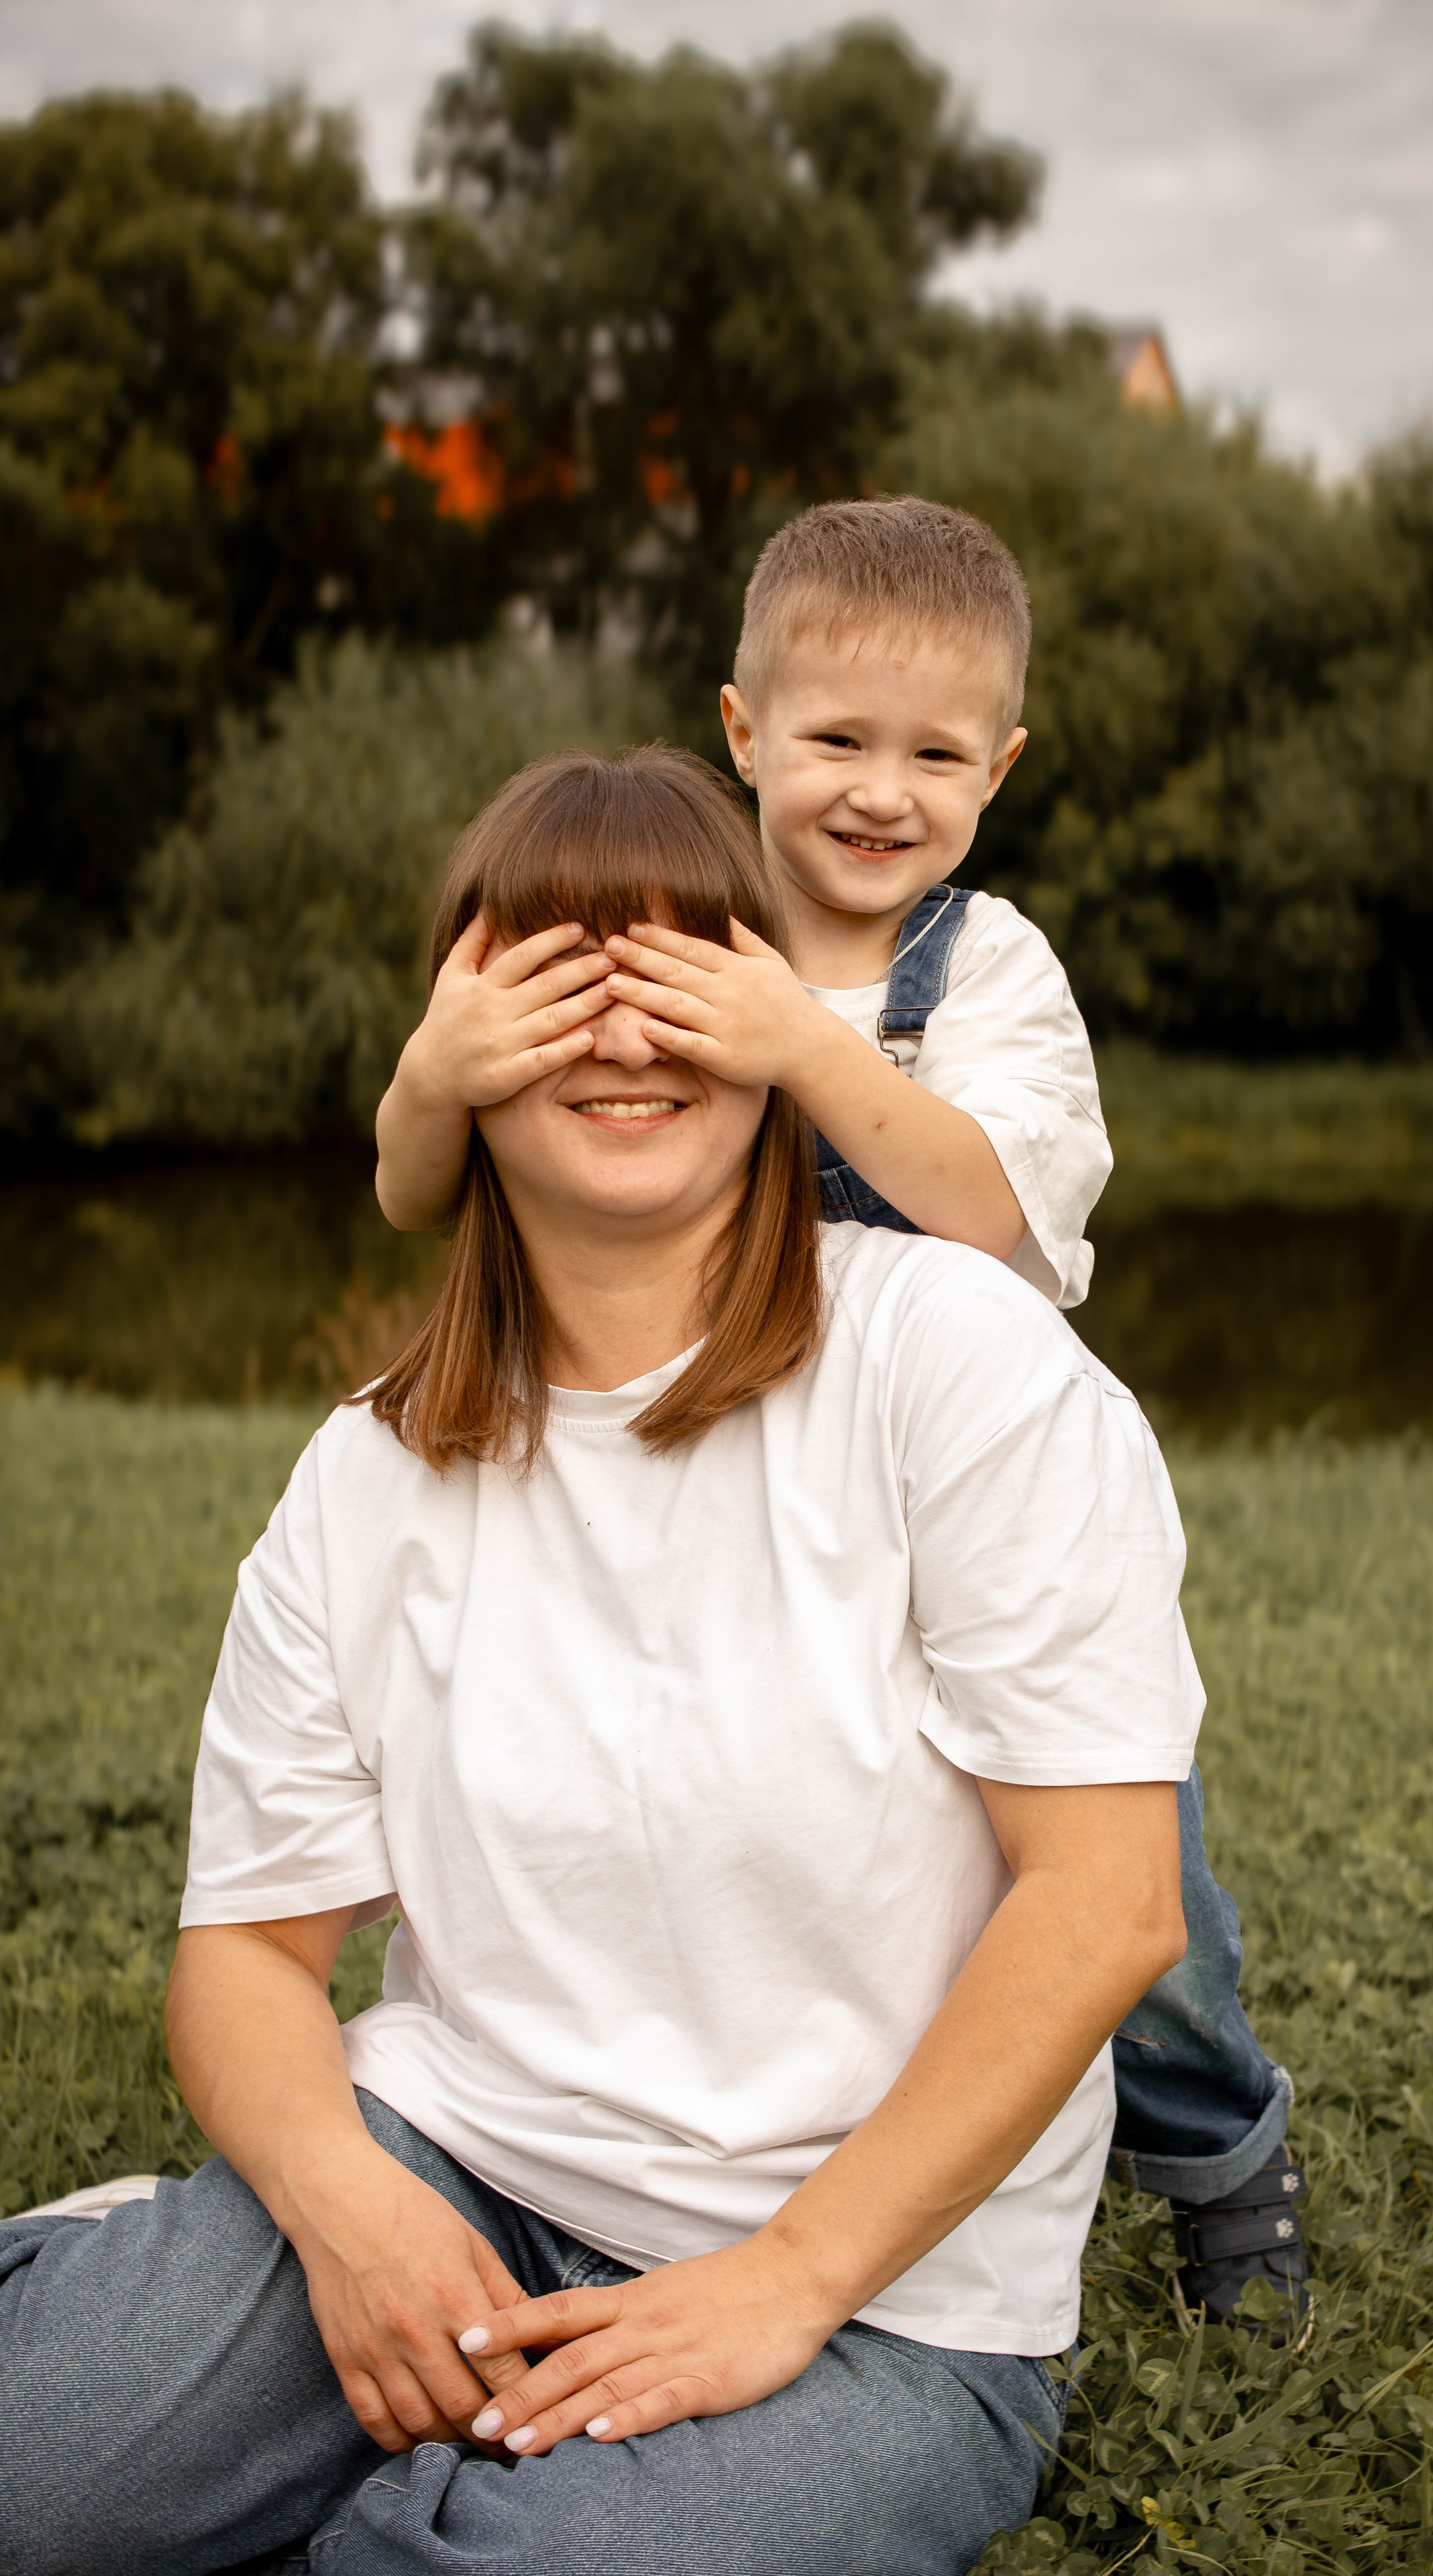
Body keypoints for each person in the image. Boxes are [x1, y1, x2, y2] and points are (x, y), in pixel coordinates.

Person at [1, 748, 1201, 2576]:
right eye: (559, 983)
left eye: (677, 978)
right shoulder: (367, 1471)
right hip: (451, 2168)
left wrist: (788, 2279)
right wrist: (344, 2210)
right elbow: (247, 1955)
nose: (625, 1038)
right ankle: (150, 2296)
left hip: (881, 2301)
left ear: (773, 1028)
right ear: (458, 1058)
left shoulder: (960, 1363)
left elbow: (1109, 1903)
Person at [372, 499, 1309, 2329]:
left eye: (937, 754)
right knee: (766, 1815)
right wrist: (435, 1074)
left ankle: (1216, 2145)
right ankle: (714, 2130)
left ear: (1003, 768)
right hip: (736, 1491)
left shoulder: (990, 978)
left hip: (980, 1503)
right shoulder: (663, 921)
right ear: (742, 733)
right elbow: (429, 1190)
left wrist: (800, 1043)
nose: (882, 792)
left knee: (1134, 1890)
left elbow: (986, 1207)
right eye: (835, 742)